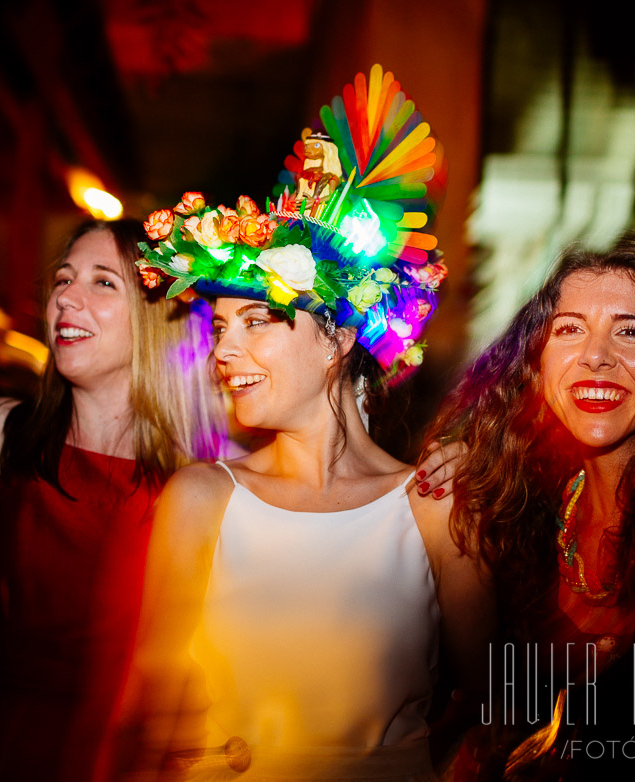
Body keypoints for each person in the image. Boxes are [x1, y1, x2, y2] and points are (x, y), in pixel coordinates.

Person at [129, 64, 496, 780]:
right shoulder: (200, 499)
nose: (225, 350)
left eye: (258, 320)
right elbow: (154, 719)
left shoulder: (435, 509)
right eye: (221, 326)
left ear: (335, 340)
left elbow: (495, 713)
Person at [426, 232, 635, 780]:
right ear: (537, 362)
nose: (595, 357)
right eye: (569, 330)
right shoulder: (517, 518)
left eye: (631, 332)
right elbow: (478, 701)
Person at [0, 217, 231, 780]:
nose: (67, 296)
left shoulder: (203, 483)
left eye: (102, 282)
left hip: (122, 761)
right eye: (63, 279)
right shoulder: (1, 434)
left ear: (154, 315)